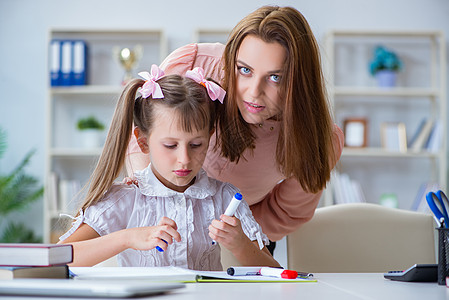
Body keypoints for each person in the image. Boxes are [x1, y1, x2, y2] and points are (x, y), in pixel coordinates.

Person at [126, 5, 345, 253]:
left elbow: (284, 213)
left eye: (275, 77)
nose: (254, 93)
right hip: (156, 227)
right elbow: (142, 132)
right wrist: (150, 201)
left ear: (300, 80)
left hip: (235, 240)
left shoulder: (317, 140)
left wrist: (232, 235)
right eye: (245, 70)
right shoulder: (195, 66)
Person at [59, 65, 280, 270]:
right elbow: (58, 259)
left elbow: (278, 275)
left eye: (196, 145)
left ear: (210, 136)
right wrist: (127, 238)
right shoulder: (125, 199)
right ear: (143, 141)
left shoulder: (224, 197)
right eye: (170, 145)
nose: (184, 159)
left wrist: (241, 245)